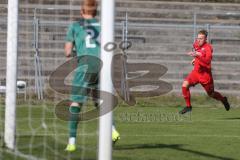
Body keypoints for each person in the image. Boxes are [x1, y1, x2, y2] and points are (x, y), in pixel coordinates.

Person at [64, 0, 120, 152]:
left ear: (82, 11)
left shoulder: (76, 26)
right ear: (96, 12)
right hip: (102, 66)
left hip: (85, 66)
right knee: (98, 101)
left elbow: (68, 52)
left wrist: (76, 52)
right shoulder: (103, 26)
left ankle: (72, 142)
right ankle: (113, 130)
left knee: (76, 103)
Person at [179, 29, 230, 114]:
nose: (198, 40)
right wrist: (195, 59)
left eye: (201, 38)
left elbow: (207, 61)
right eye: (198, 38)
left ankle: (223, 99)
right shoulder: (195, 44)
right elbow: (198, 54)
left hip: (205, 75)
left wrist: (197, 56)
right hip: (195, 73)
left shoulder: (208, 48)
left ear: (206, 39)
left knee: (211, 94)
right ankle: (188, 107)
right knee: (184, 85)